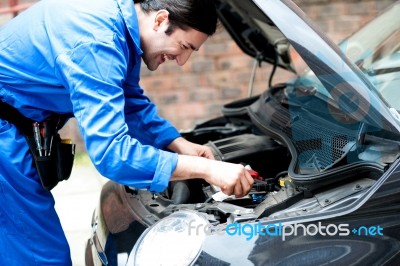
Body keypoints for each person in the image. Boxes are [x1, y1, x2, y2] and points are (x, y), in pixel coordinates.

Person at [0, 0, 254, 264]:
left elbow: (128, 100)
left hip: (14, 125)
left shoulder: (121, 24)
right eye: (183, 46)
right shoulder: (98, 43)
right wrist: (207, 170)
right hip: (4, 135)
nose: (182, 61)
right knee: (39, 257)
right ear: (160, 20)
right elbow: (112, 154)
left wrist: (177, 143)